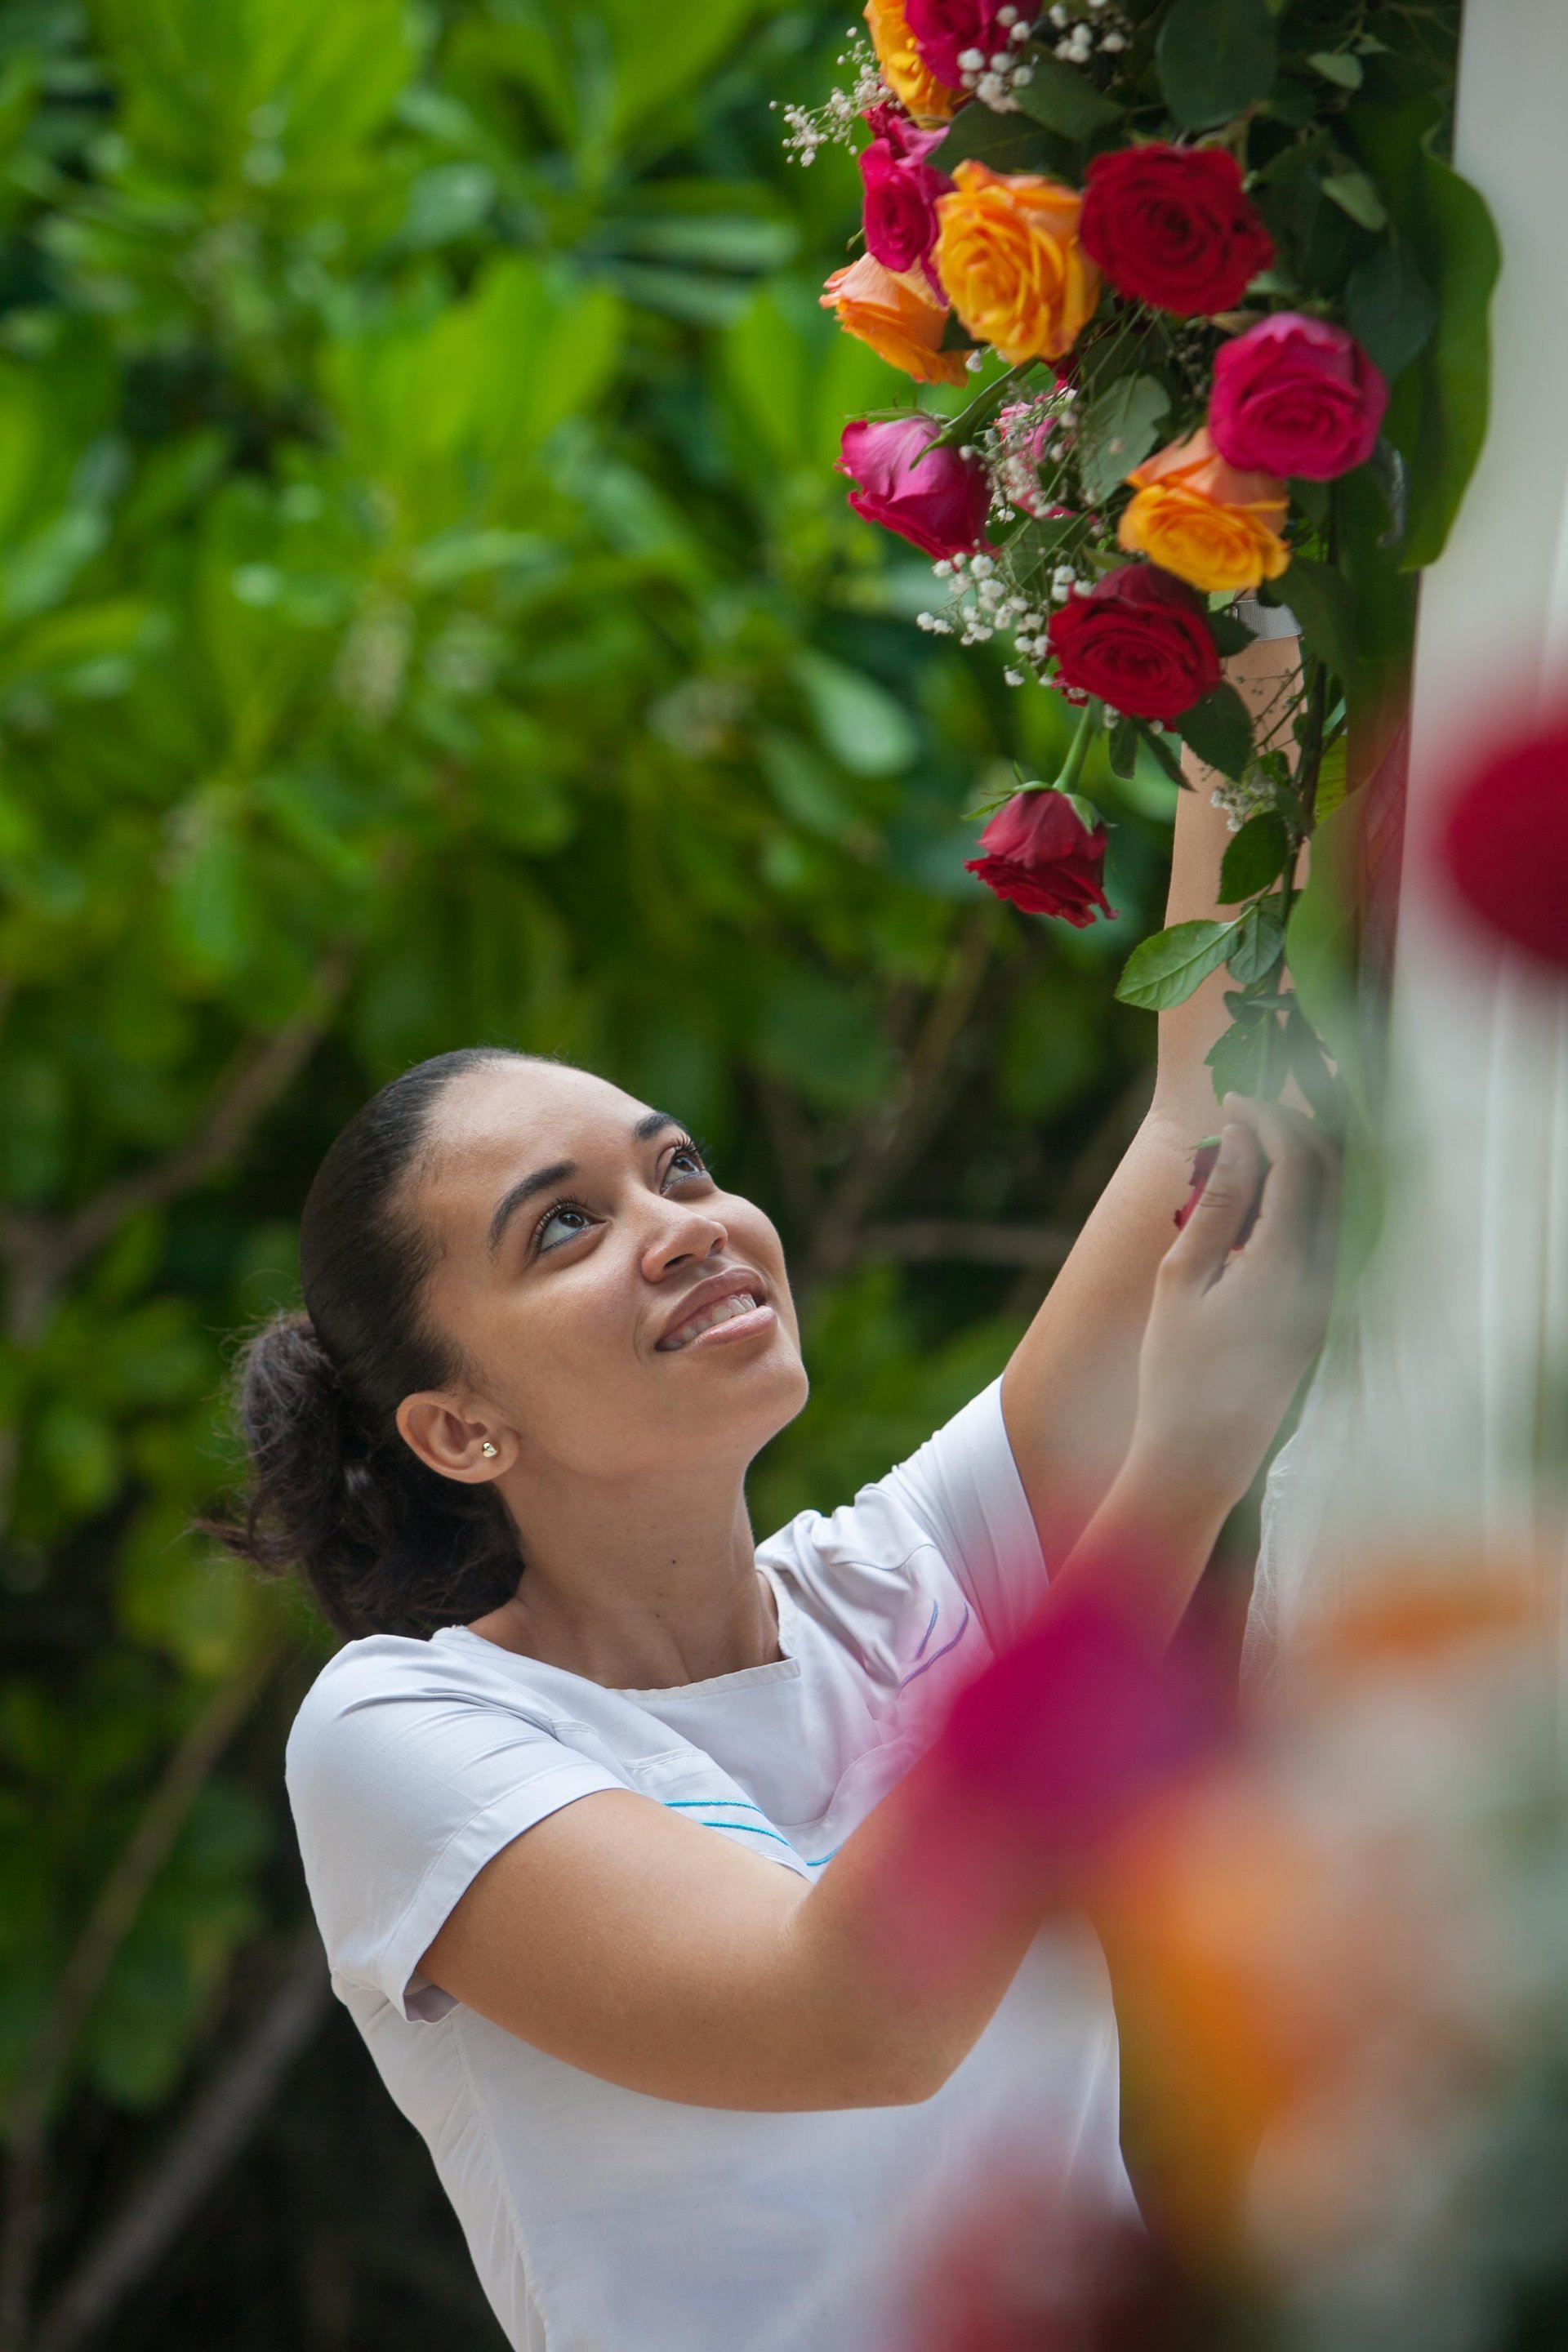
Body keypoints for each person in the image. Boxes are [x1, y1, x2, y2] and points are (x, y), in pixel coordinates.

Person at [217, 635, 1335, 2352]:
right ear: (460, 1430)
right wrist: (1182, 1467)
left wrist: (1244, 611)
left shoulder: (903, 1580)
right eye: (563, 1228)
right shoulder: (403, 1733)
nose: (683, 1225)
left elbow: (1211, 1116)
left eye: (677, 1165)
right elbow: (862, 2016)